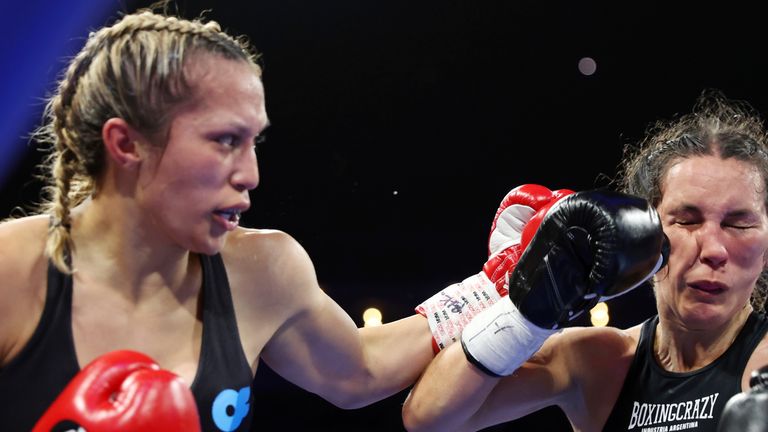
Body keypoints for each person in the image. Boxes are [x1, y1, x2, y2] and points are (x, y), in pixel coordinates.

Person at [0, 4, 669, 432]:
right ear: (127, 144)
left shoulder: (260, 269)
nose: (252, 175)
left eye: (255, 141)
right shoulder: (11, 274)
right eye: (224, 141)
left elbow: (356, 373)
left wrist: (505, 283)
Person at [401, 89, 768, 432]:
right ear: (643, 232)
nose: (714, 249)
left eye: (739, 224)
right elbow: (428, 417)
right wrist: (524, 313)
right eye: (687, 221)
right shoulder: (601, 362)